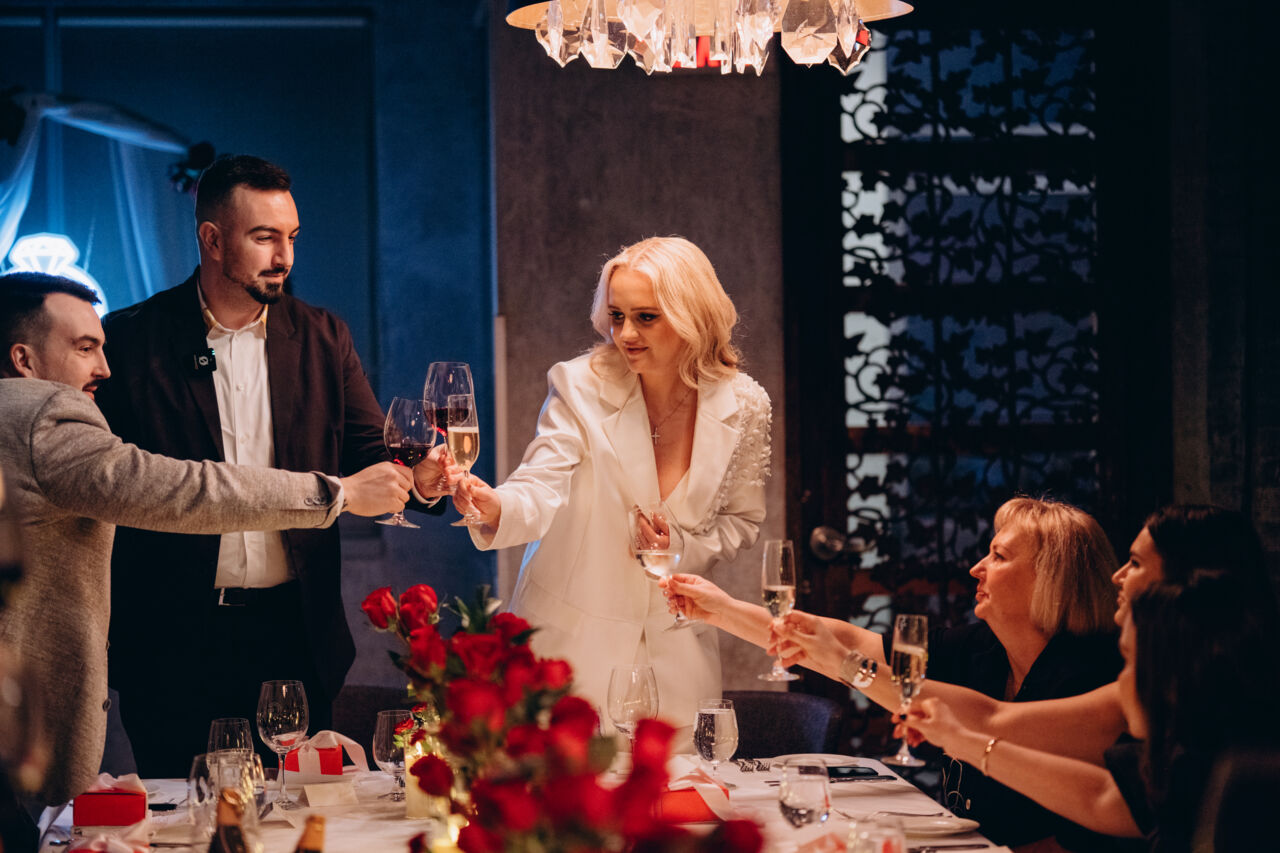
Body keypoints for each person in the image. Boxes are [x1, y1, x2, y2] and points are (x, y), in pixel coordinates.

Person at [94, 154, 454, 776]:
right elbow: (106, 485)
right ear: (212, 239)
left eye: (292, 237)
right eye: (264, 237)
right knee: (184, 815)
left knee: (296, 813)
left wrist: (421, 482)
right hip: (171, 639)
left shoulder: (323, 336)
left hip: (294, 635)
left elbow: (373, 454)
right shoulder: (129, 341)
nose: (284, 256)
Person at [0, 271, 411, 806]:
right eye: (84, 348)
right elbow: (183, 490)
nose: (105, 368)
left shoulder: (323, 334)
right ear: (24, 360)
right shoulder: (44, 416)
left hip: (291, 634)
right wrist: (337, 493)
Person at [454, 236, 771, 743]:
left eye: (646, 317)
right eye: (617, 315)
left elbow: (742, 521)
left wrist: (680, 549)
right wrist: (497, 505)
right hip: (570, 653)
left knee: (680, 790)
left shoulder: (746, 404)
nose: (626, 334)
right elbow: (542, 481)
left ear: (693, 316)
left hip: (680, 659)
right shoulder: (579, 385)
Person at [666, 497, 1122, 849]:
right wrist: (721, 610)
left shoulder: (1089, 673)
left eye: (999, 557)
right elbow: (846, 644)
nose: (976, 569)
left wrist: (845, 663)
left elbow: (986, 722)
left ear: (1051, 579)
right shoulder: (982, 647)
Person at [905, 571, 1280, 852]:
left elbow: (1096, 800)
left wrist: (962, 739)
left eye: (1130, 661)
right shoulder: (1186, 754)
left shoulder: (1244, 780)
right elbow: (1100, 796)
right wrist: (960, 739)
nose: (1120, 682)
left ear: (1175, 673)